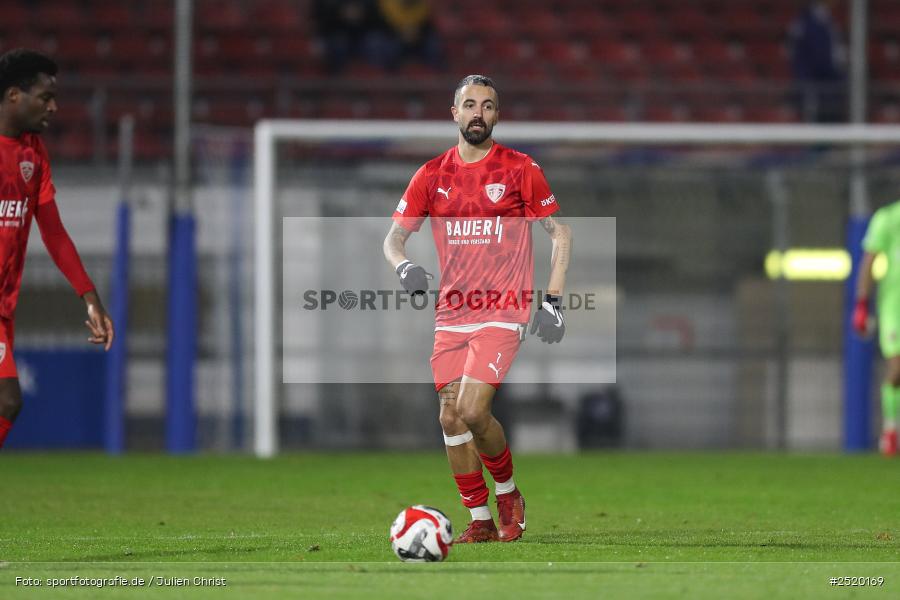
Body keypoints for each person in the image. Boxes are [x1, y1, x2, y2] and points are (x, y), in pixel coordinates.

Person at [382, 75, 572, 542]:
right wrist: (403, 266)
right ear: (454, 113)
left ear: (496, 115)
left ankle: (508, 493)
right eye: (469, 105)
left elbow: (560, 234)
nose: (478, 114)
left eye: (487, 106)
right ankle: (481, 520)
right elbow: (393, 238)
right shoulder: (431, 174)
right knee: (449, 416)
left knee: (470, 409)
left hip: (502, 310)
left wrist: (553, 302)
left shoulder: (519, 168)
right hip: (452, 314)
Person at [0, 49, 114, 449]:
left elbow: (53, 233)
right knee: (6, 401)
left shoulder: (33, 154)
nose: (54, 106)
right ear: (14, 95)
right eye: (45, 97)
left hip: (3, 307)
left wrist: (90, 298)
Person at [853, 201, 900, 455]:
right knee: (897, 368)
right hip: (894, 306)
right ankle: (891, 430)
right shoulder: (888, 218)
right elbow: (868, 261)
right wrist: (861, 304)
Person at [788, 0, 846, 123]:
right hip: (817, 87)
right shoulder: (807, 21)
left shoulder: (827, 19)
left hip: (829, 87)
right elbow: (814, 59)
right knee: (816, 126)